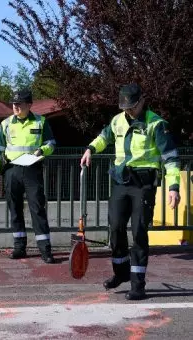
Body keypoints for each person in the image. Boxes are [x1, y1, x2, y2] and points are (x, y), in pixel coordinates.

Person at [80, 83, 181, 300]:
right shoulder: (117, 120)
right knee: (115, 228)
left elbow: (171, 158)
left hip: (143, 185)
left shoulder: (156, 124)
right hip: (120, 181)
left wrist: (173, 187)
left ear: (142, 101)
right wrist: (90, 149)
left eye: (132, 107)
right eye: (125, 107)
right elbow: (104, 137)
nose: (129, 111)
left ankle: (138, 284)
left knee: (139, 233)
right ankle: (121, 273)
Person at [0, 88, 56, 263]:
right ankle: (19, 248)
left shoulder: (41, 122)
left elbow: (51, 143)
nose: (16, 107)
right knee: (15, 210)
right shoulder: (6, 124)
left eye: (19, 104)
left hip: (32, 170)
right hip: (12, 170)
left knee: (37, 209)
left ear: (29, 105)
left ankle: (45, 251)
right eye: (14, 104)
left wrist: (43, 150)